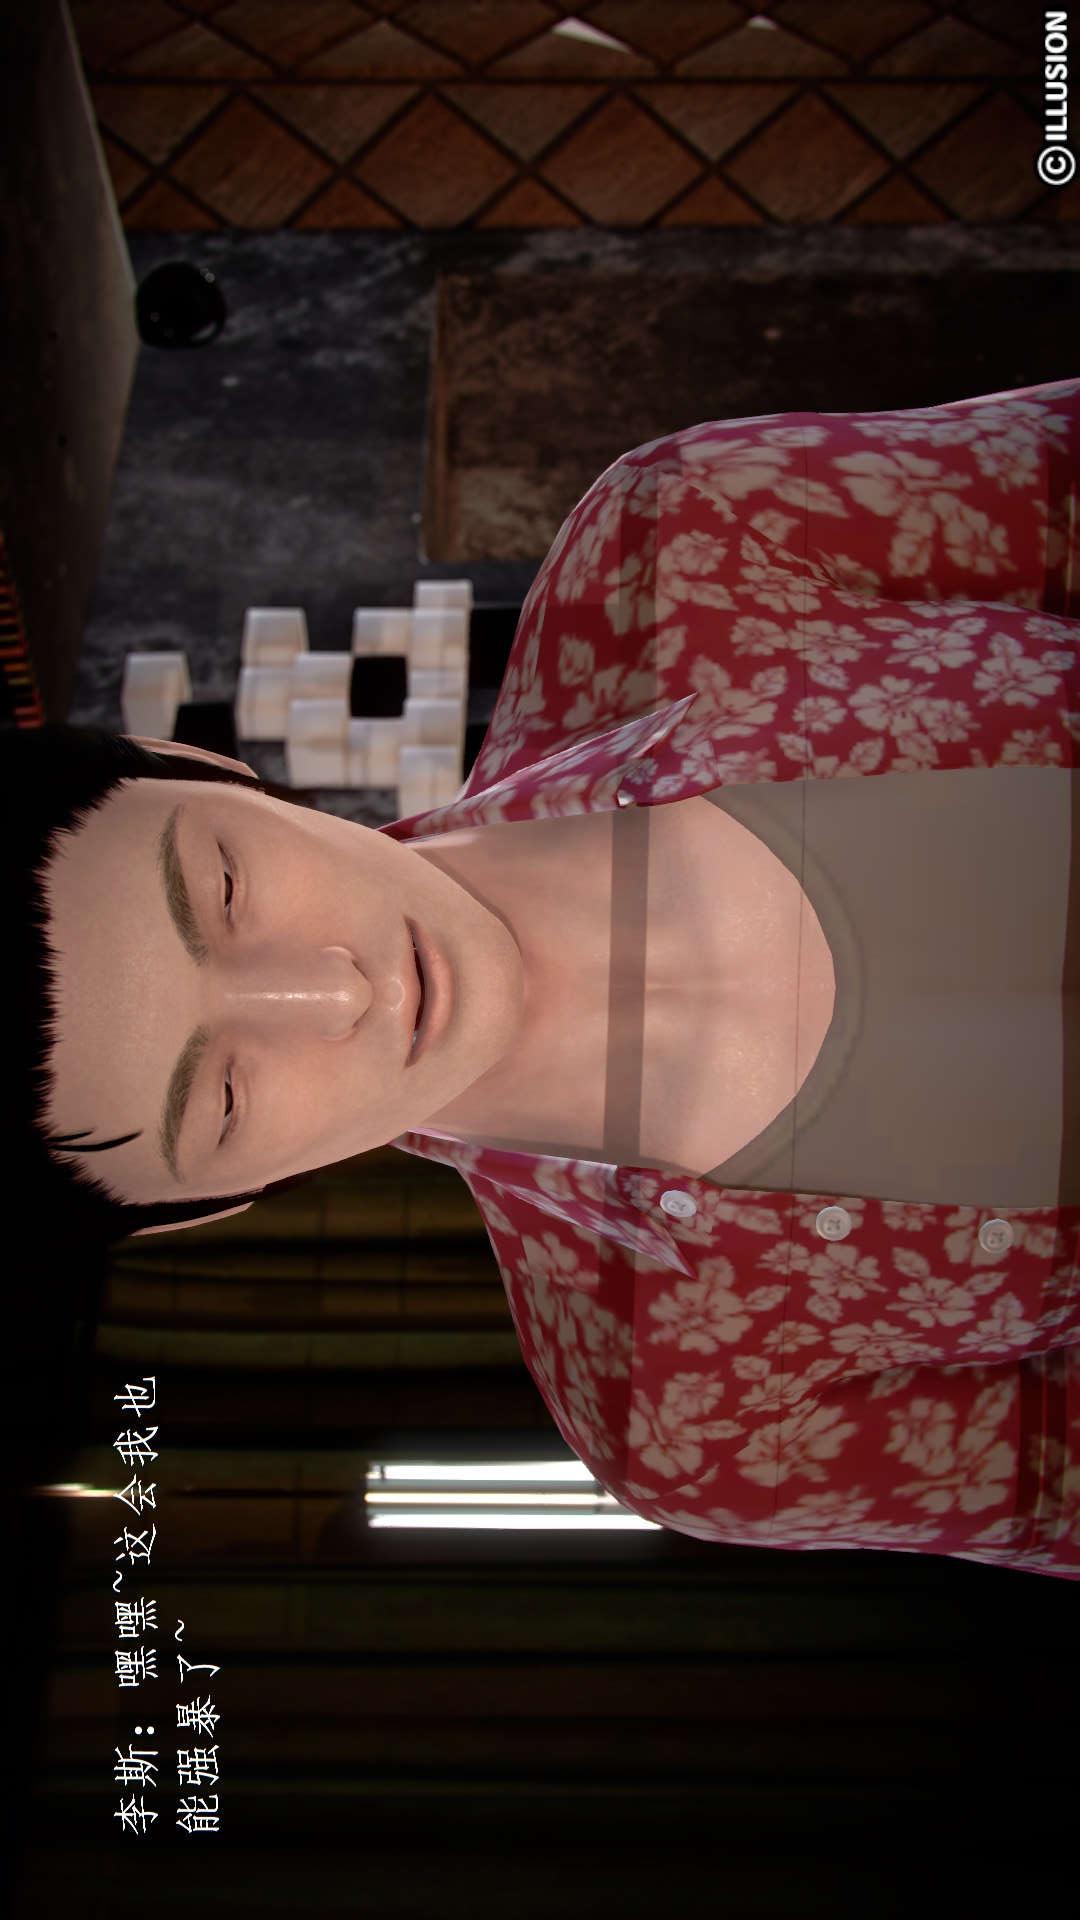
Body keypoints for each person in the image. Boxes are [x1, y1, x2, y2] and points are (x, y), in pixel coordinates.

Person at [7, 376, 1080, 1579]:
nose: (337, 994)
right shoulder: (687, 1417)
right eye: (224, 1101)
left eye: (223, 889)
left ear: (189, 761)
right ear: (217, 1202)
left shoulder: (680, 545)